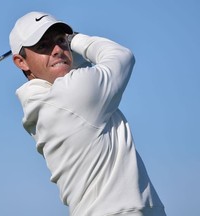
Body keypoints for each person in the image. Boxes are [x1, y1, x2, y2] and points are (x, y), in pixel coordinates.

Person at [9, 11, 166, 216]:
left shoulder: (39, 103)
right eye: (43, 46)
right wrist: (75, 39)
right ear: (21, 62)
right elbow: (121, 55)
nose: (57, 50)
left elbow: (72, 67)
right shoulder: (71, 94)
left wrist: (61, 49)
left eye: (60, 41)